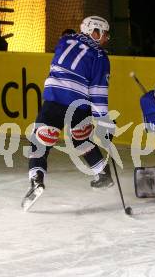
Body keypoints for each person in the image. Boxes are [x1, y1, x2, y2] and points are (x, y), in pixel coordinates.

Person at [22, 16, 115, 211]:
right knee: (81, 139)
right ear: (94, 32)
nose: (107, 38)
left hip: (54, 98)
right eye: (104, 33)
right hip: (79, 103)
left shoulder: (64, 41)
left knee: (40, 142)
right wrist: (104, 122)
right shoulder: (101, 57)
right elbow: (98, 92)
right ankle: (102, 173)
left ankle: (36, 181)